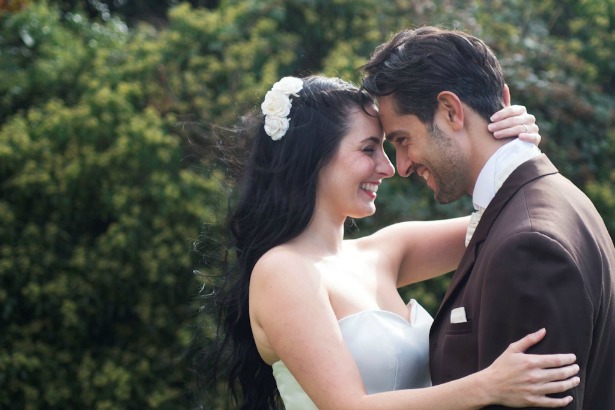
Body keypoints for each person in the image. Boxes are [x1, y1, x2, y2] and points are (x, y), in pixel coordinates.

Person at [200, 75, 581, 410]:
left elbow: (513, 215)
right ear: (311, 159)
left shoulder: (387, 250)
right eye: (368, 150)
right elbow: (347, 406)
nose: (388, 167)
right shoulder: (282, 271)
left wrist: (513, 143)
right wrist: (489, 386)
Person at [361, 26, 615, 410]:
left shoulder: (528, 245)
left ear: (450, 111)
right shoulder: (556, 199)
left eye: (402, 140)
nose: (403, 165)